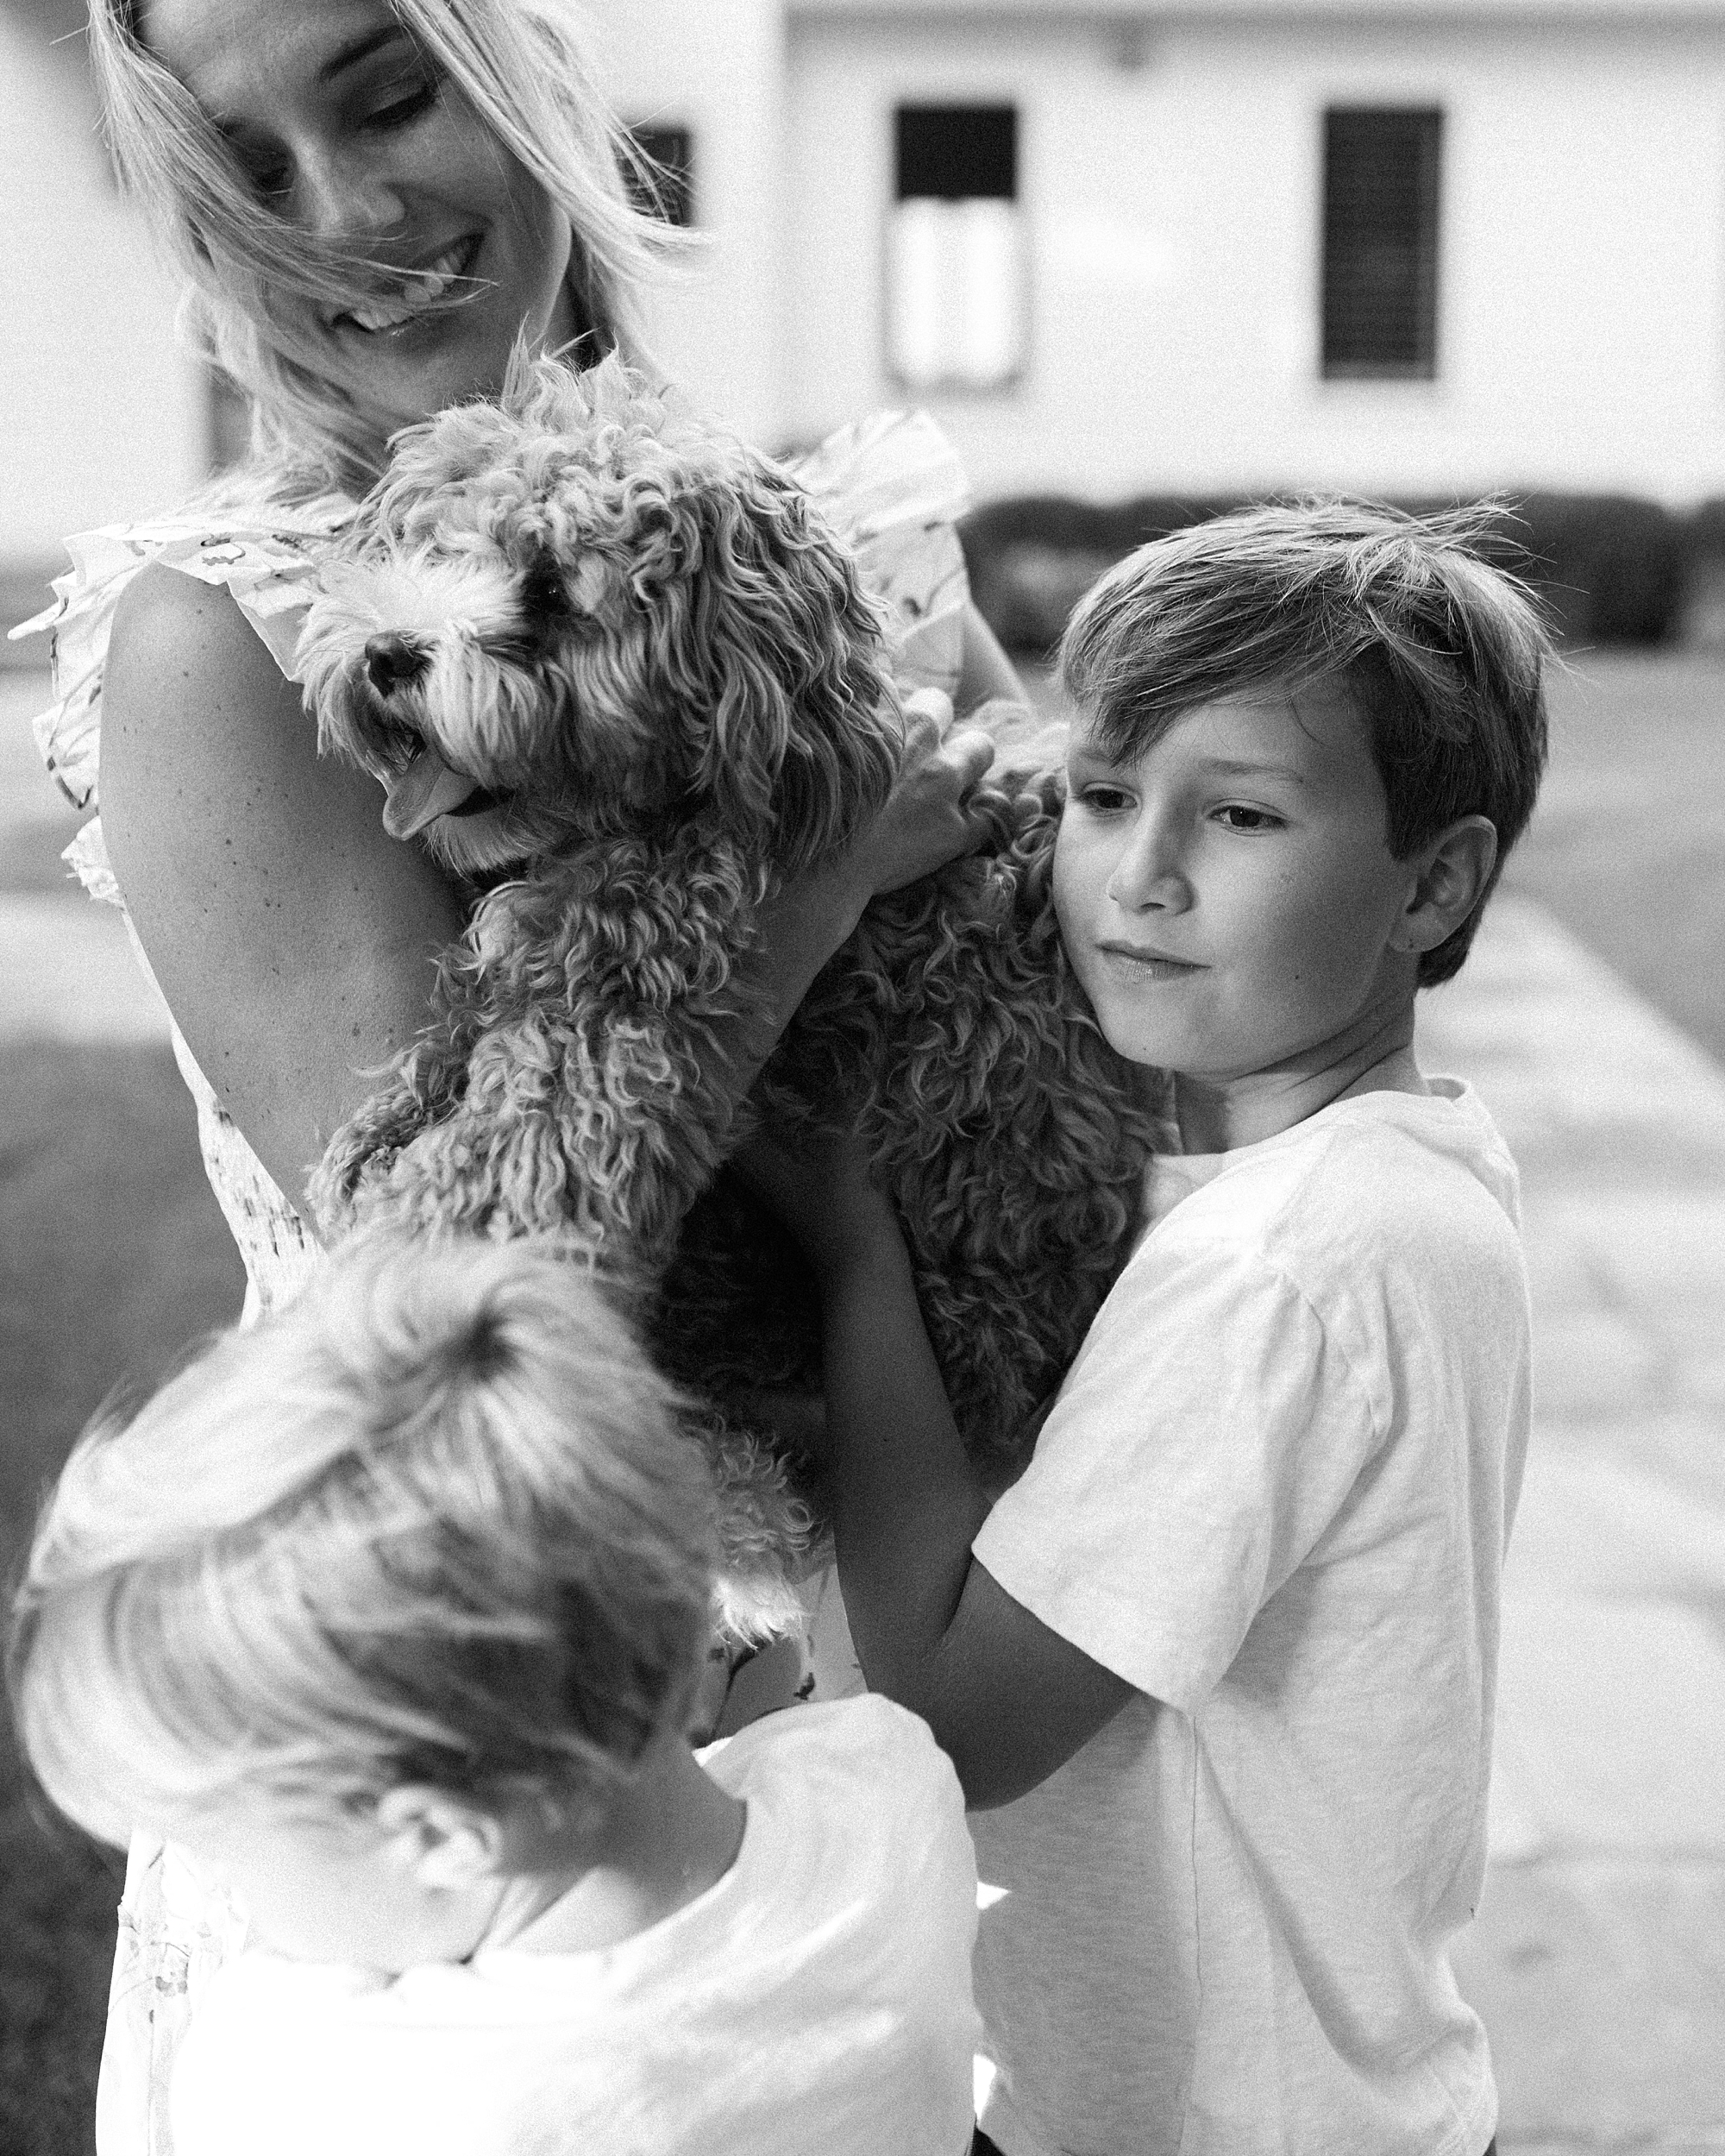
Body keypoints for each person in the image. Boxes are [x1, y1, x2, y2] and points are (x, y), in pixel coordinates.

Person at [21, 3, 1020, 2145]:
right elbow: (441, 1330)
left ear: (529, 72)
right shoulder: (238, 648)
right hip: (469, 1813)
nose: (350, 214)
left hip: (912, 1699)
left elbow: (1076, 1057)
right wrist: (804, 901)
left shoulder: (847, 545)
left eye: (387, 93)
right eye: (248, 167)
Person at [743, 502, 1551, 2156]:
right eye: (1104, 795)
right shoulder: (1415, 1174)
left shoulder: (1275, 1269)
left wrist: (853, 1246)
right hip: (1351, 2091)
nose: (1143, 872)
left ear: (1436, 882)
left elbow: (948, 1721)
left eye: (1240, 811)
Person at [9, 1235, 984, 2155]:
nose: (227, 1889)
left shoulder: (315, 2089)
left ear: (440, 1836)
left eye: (222, 1845)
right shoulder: (888, 1794)